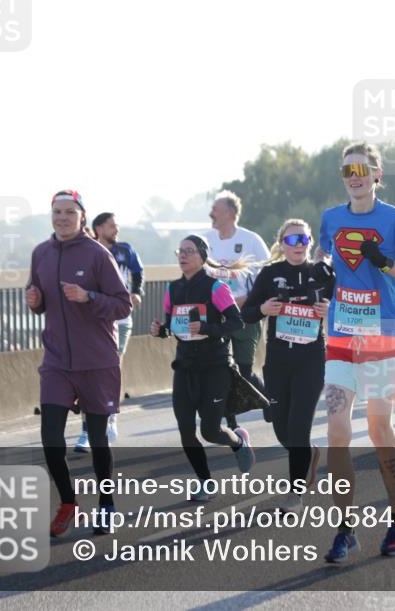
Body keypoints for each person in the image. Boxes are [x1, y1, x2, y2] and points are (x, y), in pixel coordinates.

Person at [317, 143, 395, 564]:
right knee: (336, 431)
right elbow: (326, 261)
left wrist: (385, 264)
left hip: (382, 339)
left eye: (363, 168)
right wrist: (318, 276)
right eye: (348, 168)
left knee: (379, 429)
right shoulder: (330, 218)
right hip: (342, 339)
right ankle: (345, 529)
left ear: (377, 174)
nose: (355, 174)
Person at [26, 190, 132, 537]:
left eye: (69, 212)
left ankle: (106, 506)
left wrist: (89, 297)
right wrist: (34, 301)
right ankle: (68, 502)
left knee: (99, 439)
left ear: (82, 217)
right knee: (50, 436)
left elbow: (122, 305)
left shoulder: (98, 254)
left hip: (97, 360)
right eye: (57, 212)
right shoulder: (40, 253)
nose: (62, 217)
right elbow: (39, 298)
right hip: (57, 360)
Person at [151, 235, 254, 501]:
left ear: (201, 256)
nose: (183, 255)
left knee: (210, 431)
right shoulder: (172, 289)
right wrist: (161, 330)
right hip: (185, 366)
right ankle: (206, 482)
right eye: (180, 251)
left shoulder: (215, 287)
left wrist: (208, 328)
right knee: (185, 428)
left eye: (189, 251)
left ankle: (238, 441)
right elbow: (173, 326)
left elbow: (236, 323)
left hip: (214, 367)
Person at [242, 220, 332, 512]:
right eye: (292, 239)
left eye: (303, 239)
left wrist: (329, 309)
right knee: (281, 427)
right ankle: (307, 454)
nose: (298, 245)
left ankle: (295, 494)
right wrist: (264, 310)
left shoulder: (322, 273)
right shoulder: (270, 273)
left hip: (311, 359)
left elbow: (345, 309)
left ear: (309, 242)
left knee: (298, 426)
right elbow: (246, 313)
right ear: (281, 243)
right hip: (279, 361)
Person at [73, 212, 144, 452]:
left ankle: (111, 417)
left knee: (113, 366)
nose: (117, 230)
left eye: (117, 226)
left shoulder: (125, 249)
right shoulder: (87, 251)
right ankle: (86, 429)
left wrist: (136, 292)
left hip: (121, 318)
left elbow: (138, 272)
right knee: (87, 372)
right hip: (94, 321)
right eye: (112, 226)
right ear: (99, 228)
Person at [204, 190, 271, 426]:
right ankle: (232, 424)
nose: (211, 213)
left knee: (243, 371)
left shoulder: (251, 240)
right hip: (217, 317)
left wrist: (246, 299)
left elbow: (266, 277)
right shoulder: (205, 240)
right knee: (223, 371)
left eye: (216, 209)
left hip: (245, 314)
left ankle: (270, 401)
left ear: (230, 213)